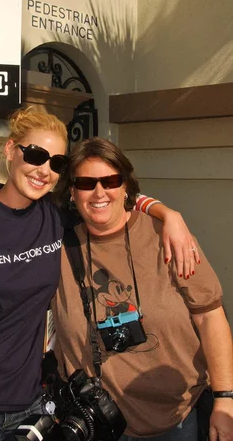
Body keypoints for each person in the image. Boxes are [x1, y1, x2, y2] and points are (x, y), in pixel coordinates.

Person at [0, 108, 199, 441]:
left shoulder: (56, 215)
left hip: (32, 401)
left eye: (57, 163)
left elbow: (111, 197)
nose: (44, 170)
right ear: (9, 150)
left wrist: (168, 214)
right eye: (35, 155)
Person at [51, 137, 233, 441]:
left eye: (110, 180)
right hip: (100, 423)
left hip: (178, 419)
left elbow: (210, 316)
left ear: (125, 186)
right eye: (85, 183)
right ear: (72, 192)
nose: (99, 192)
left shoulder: (169, 237)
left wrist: (225, 398)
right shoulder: (55, 248)